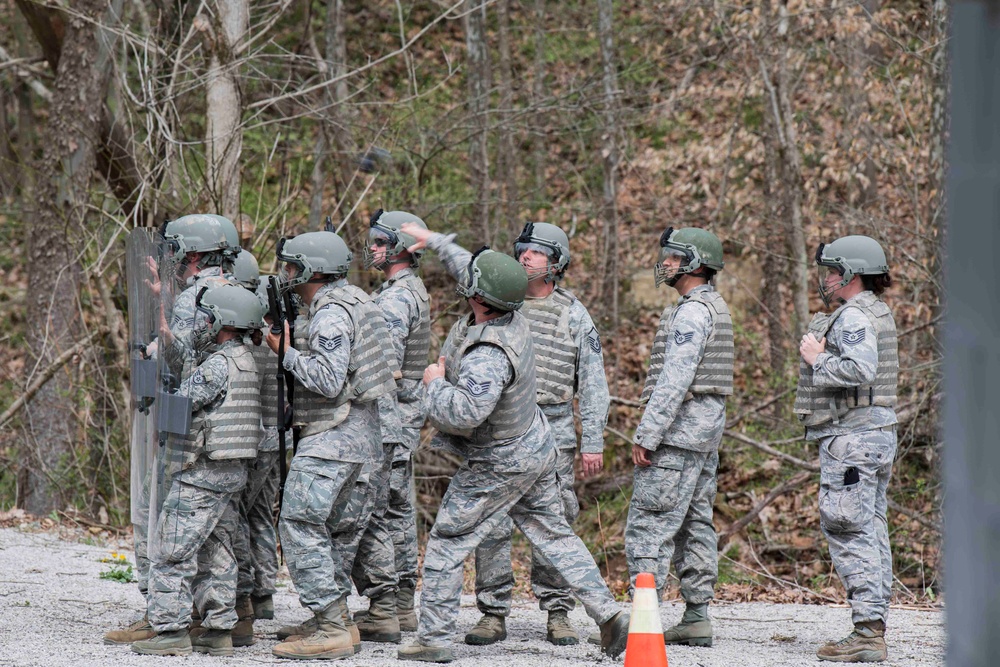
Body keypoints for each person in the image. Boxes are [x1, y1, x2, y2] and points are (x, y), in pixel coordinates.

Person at [395, 247, 629, 664]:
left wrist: (432, 383)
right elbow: (480, 273)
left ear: (480, 296)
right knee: (552, 532)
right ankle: (608, 613)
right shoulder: (512, 315)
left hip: (502, 459)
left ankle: (432, 637)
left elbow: (465, 412)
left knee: (448, 540)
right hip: (533, 445)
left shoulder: (490, 351)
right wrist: (433, 239)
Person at [106, 214, 241, 646]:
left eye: (175, 249)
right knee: (216, 533)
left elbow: (178, 363)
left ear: (193, 253)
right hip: (230, 435)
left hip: (188, 430)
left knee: (156, 519)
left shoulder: (193, 300)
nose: (170, 257)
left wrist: (155, 343)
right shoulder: (240, 292)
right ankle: (219, 623)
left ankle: (160, 616)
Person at [266, 230, 396, 661]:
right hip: (363, 440)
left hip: (335, 436)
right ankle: (334, 619)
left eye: (290, 265)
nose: (286, 273)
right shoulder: (357, 299)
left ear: (310, 269)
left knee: (300, 523)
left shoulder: (332, 314)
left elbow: (326, 379)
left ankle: (332, 625)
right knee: (337, 533)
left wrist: (283, 350)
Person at [131, 283, 265, 657]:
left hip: (202, 473)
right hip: (228, 474)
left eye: (207, 318)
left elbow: (179, 408)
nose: (202, 323)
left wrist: (154, 385)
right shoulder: (243, 359)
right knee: (215, 549)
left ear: (223, 322)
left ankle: (172, 631)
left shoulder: (217, 366)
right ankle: (220, 629)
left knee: (169, 550)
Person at [624, 226, 733, 648]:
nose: (665, 263)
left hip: (679, 433)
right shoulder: (713, 306)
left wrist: (648, 434)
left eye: (672, 257)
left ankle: (642, 621)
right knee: (695, 522)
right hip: (703, 435)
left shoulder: (691, 311)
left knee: (649, 525)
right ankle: (696, 616)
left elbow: (675, 378)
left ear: (694, 263)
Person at [795, 235, 897, 663]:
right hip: (876, 435)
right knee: (871, 527)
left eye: (834, 271)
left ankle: (868, 632)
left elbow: (860, 368)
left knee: (847, 526)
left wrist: (817, 358)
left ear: (852, 274)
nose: (827, 279)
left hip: (852, 439)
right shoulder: (878, 311)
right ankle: (873, 624)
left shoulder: (854, 314)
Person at [350, 210, 432, 639]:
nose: (374, 248)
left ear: (400, 247)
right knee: (397, 512)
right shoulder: (405, 290)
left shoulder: (397, 298)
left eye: (382, 242)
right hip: (402, 418)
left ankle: (393, 607)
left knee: (380, 512)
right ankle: (401, 606)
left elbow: (387, 364)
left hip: (390, 418)